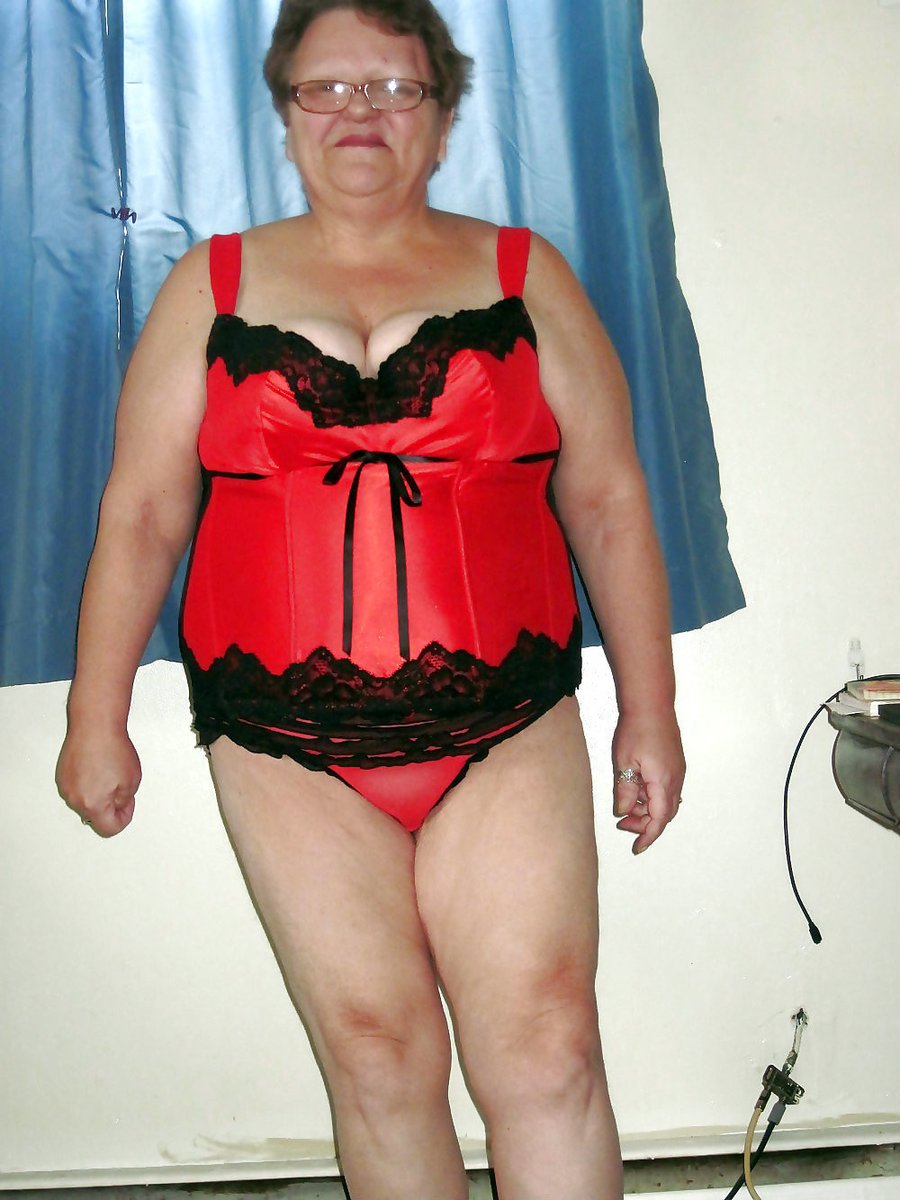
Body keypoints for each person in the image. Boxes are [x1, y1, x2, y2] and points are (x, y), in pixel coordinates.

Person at [56, 1, 685, 1196]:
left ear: (441, 118)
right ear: (287, 112)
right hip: (281, 740)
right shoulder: (210, 285)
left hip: (507, 722)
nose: (360, 112)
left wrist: (648, 714)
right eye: (328, 87)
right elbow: (139, 514)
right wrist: (97, 721)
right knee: (376, 1056)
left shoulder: (524, 273)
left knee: (549, 1044)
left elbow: (608, 499)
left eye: (396, 88)